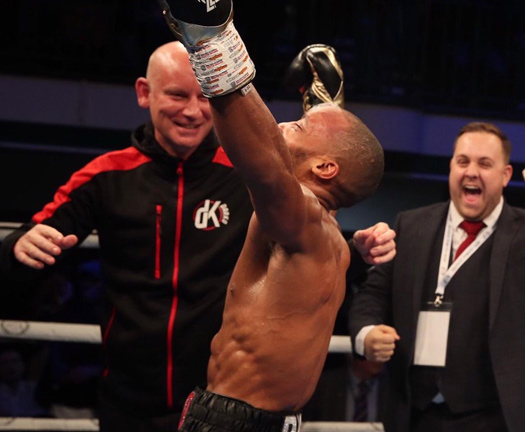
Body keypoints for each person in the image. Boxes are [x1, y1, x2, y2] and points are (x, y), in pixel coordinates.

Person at [0, 39, 395, 431]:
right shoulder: (107, 175)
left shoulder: (251, 174)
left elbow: (315, 187)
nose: (192, 111)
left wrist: (210, 38)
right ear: (144, 93)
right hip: (130, 398)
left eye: (203, 96)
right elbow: (30, 240)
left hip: (220, 388)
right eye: (177, 95)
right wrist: (19, 245)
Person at [156, 1, 384, 430]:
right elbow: (313, 150)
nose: (285, 125)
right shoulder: (328, 235)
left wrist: (212, 40)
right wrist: (321, 98)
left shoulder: (304, 222)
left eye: (299, 125)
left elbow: (264, 163)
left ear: (325, 169)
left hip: (234, 420)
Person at [349, 121, 525, 432]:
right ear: (451, 167)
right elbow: (374, 293)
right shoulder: (411, 225)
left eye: (484, 163)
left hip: (495, 415)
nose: (471, 171)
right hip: (414, 412)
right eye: (463, 161)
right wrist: (365, 333)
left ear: (505, 176)